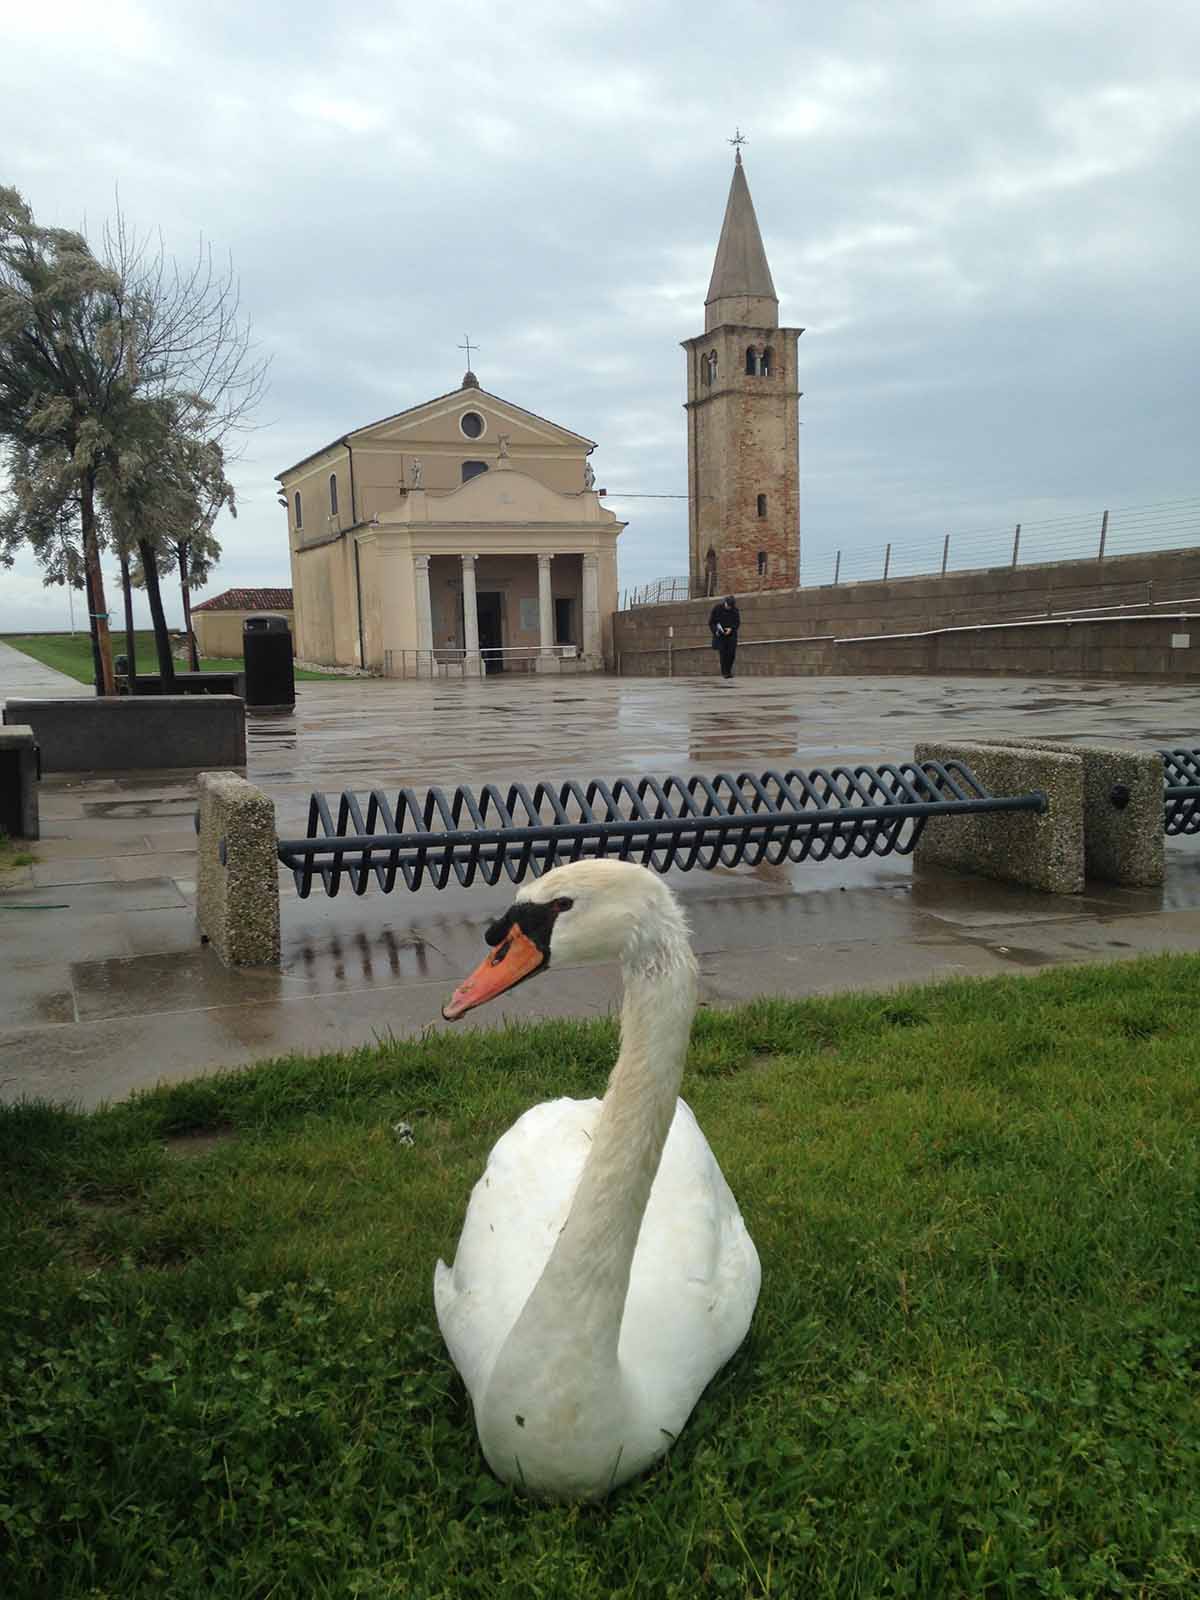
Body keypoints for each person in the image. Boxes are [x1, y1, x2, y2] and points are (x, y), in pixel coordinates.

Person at [709, 594, 741, 678]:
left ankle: (728, 670)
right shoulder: (717, 608)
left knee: (731, 653)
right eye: (728, 606)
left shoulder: (735, 610)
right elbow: (711, 622)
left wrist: (731, 629)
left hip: (731, 635)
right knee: (723, 653)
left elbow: (737, 622)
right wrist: (716, 630)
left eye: (731, 606)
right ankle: (725, 673)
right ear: (725, 603)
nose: (729, 608)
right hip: (720, 635)